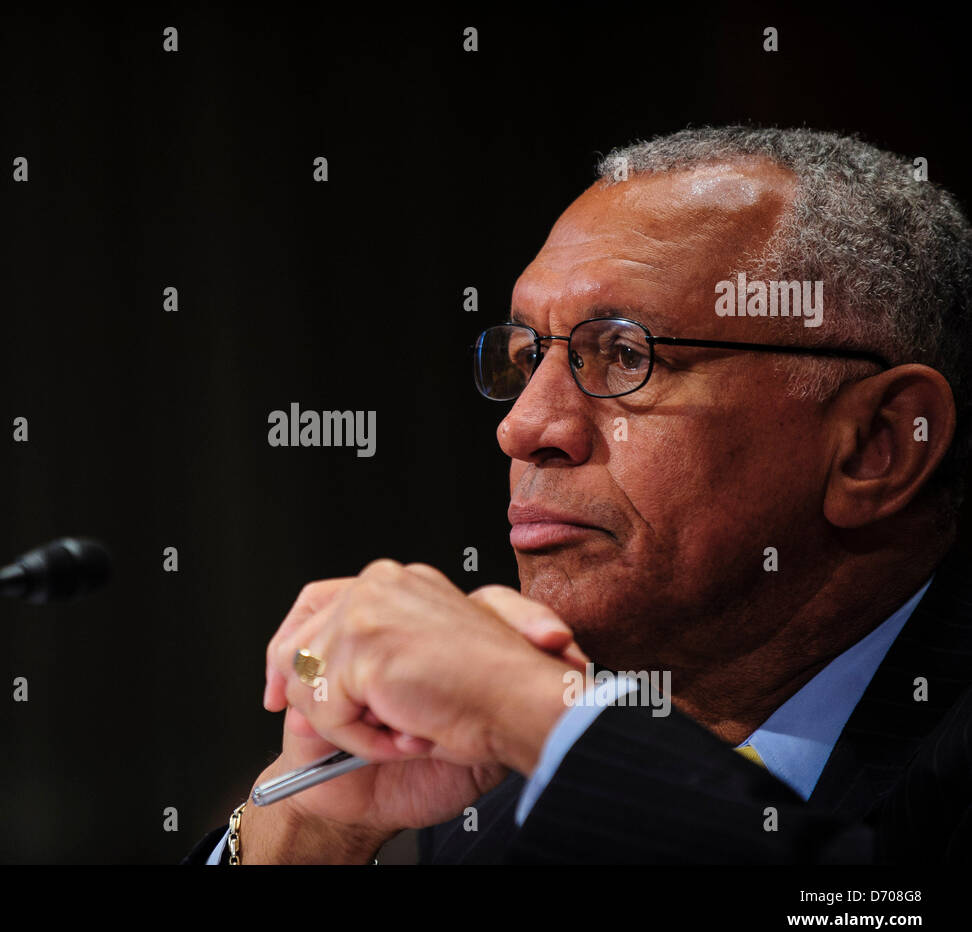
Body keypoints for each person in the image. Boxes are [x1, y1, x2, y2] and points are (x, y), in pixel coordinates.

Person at [184, 126, 972, 864]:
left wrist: (536, 711)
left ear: (878, 446)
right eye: (530, 357)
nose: (525, 427)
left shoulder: (550, 738)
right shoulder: (489, 804)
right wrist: (309, 822)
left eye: (626, 354)